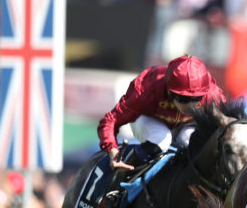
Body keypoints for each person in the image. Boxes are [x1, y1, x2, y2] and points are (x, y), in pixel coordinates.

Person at [97, 54, 226, 172]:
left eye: (197, 99)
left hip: (186, 125)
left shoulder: (212, 95)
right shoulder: (148, 88)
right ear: (169, 91)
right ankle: (123, 176)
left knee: (190, 140)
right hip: (146, 118)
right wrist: (113, 152)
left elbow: (230, 125)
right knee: (161, 138)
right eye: (184, 99)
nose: (190, 106)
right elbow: (110, 121)